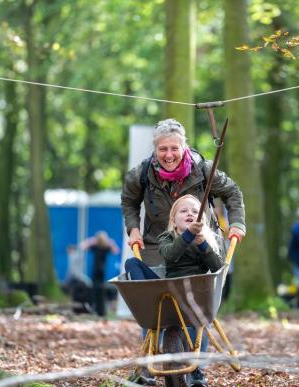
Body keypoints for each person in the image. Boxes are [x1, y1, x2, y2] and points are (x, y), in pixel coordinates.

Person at [125, 195, 226, 387]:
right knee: (132, 263)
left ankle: (196, 371)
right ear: (173, 219)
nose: (190, 213)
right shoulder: (167, 237)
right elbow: (171, 255)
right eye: (184, 211)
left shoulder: (206, 242)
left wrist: (201, 242)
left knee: (202, 322)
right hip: (166, 293)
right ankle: (147, 366)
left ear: (202, 219)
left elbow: (216, 268)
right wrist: (187, 236)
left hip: (195, 295)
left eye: (195, 212)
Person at [121, 118, 246, 266]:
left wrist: (237, 223)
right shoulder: (141, 174)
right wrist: (133, 229)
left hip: (202, 245)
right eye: (163, 149)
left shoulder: (203, 170)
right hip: (159, 247)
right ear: (155, 149)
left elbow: (232, 191)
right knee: (143, 276)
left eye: (174, 148)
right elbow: (129, 201)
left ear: (183, 147)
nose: (169, 155)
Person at [81, 231, 119, 316]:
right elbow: (82, 246)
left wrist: (110, 242)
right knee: (95, 290)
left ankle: (100, 311)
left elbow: (115, 251)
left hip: (101, 272)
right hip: (96, 272)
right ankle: (96, 309)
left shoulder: (105, 247)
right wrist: (92, 240)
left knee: (100, 291)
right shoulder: (95, 247)